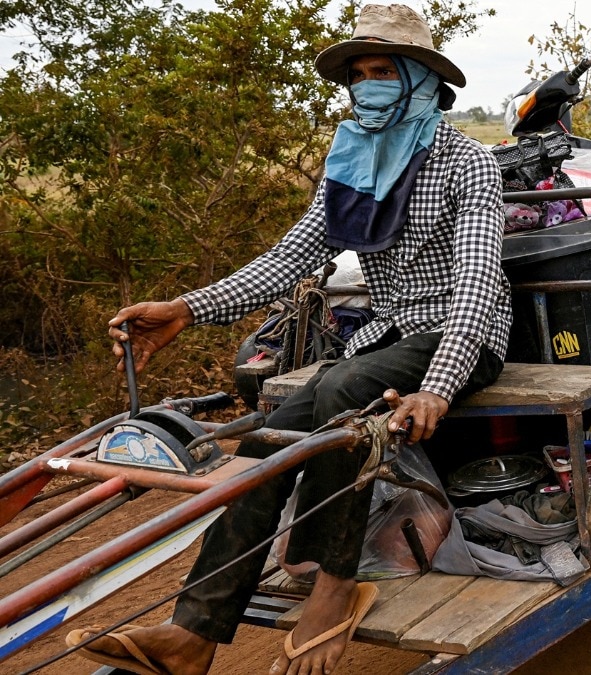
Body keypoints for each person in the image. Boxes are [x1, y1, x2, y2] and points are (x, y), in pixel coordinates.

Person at [67, 5, 510, 675]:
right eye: (358, 74)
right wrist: (189, 307)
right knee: (267, 437)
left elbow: (478, 284)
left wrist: (437, 387)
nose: (368, 85)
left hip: (460, 333)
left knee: (342, 389)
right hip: (390, 335)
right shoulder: (354, 161)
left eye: (383, 71)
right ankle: (194, 632)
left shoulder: (468, 162)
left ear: (421, 80)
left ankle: (336, 590)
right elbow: (290, 256)